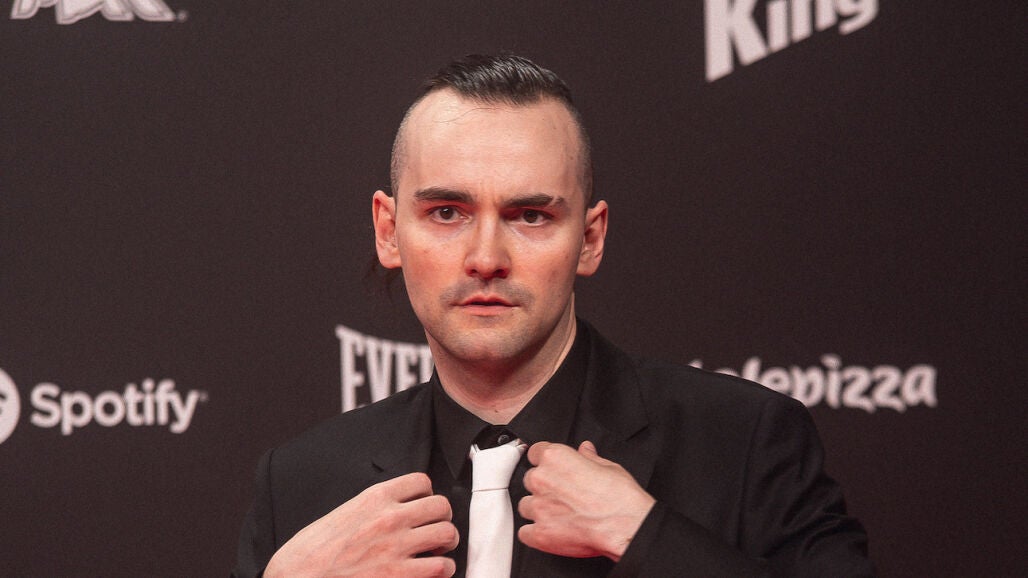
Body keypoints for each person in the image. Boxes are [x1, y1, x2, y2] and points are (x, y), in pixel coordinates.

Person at [233, 53, 874, 577]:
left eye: (531, 216)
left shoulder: (744, 442)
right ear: (388, 230)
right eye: (447, 213)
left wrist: (645, 536)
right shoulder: (299, 484)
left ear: (589, 239)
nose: (486, 258)